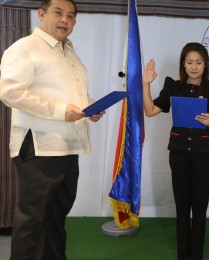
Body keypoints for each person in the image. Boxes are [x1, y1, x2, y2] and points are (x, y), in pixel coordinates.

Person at [0, 0, 104, 259]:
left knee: (56, 217)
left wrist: (90, 107)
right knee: (32, 220)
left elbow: (72, 94)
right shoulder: (24, 48)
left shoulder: (69, 51)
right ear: (41, 13)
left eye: (71, 16)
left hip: (68, 146)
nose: (65, 20)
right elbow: (10, 92)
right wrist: (60, 111)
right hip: (39, 145)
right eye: (58, 13)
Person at [142, 42, 209, 260]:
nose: (194, 66)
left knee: (200, 205)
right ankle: (183, 255)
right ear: (183, 63)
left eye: (198, 62)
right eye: (189, 62)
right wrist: (145, 84)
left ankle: (196, 255)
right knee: (181, 204)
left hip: (204, 152)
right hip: (179, 151)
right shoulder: (173, 86)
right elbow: (151, 110)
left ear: (205, 64)